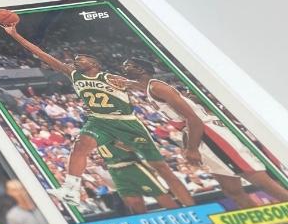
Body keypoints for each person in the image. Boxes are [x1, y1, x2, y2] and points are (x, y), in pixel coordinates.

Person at [0, 19, 194, 210]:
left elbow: (144, 86)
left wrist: (132, 84)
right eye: (75, 59)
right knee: (79, 147)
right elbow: (41, 54)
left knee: (161, 167)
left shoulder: (109, 77)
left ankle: (189, 207)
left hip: (125, 122)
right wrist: (15, 34)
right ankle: (71, 190)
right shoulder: (73, 74)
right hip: (99, 120)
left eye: (81, 58)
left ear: (94, 63)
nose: (76, 61)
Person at [122, 58, 288, 207]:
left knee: (256, 177)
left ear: (140, 69)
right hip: (199, 136)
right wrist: (125, 83)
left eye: (127, 65)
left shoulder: (157, 87)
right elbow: (138, 86)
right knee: (231, 190)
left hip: (209, 134)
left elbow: (193, 119)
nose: (123, 68)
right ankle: (257, 222)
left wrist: (192, 149)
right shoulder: (150, 88)